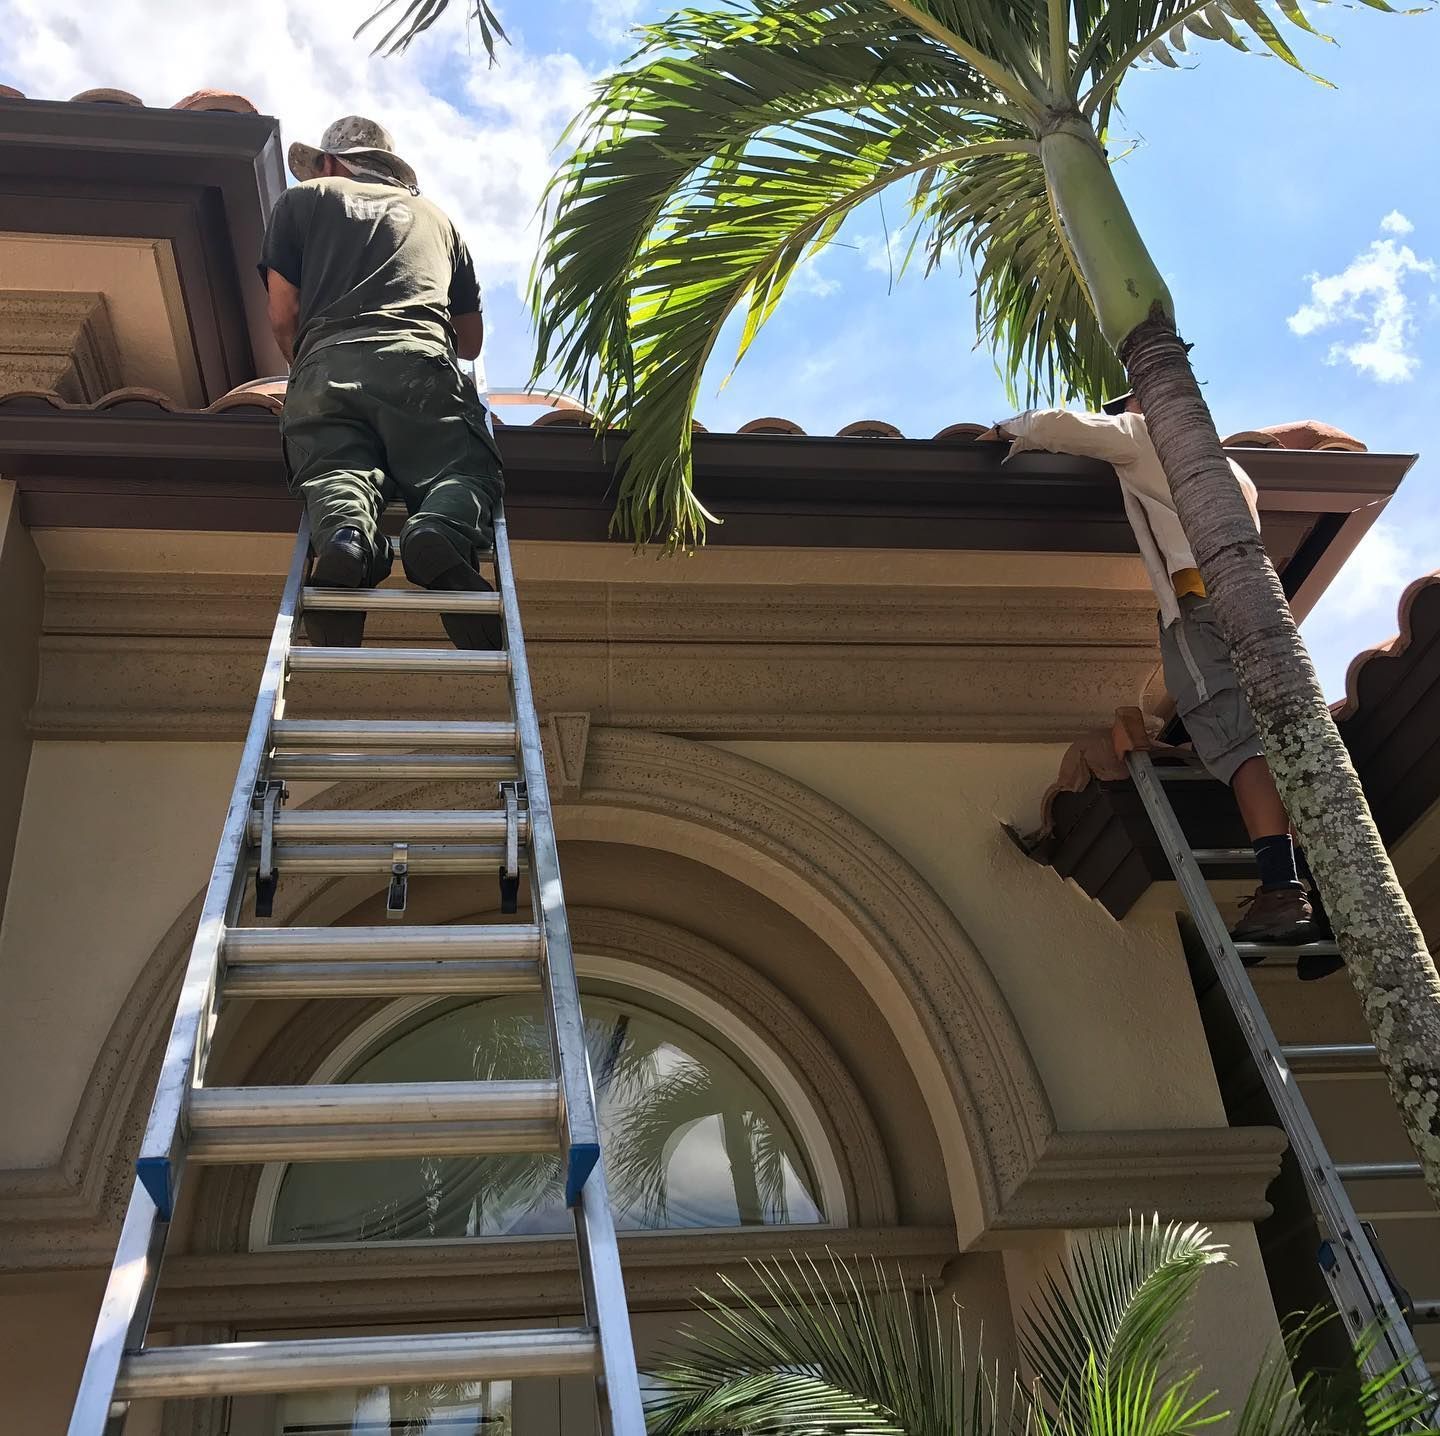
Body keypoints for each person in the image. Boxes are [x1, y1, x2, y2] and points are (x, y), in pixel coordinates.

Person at [983, 396, 1330, 961]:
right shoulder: (1229, 469)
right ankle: (1319, 901)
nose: (1120, 408)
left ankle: (1282, 890)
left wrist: (1001, 431)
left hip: (1201, 602)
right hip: (1255, 610)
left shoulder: (1148, 434)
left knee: (1239, 741)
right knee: (1271, 743)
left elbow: (1066, 426)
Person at [258, 115, 501, 650]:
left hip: (325, 364)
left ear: (328, 162)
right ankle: (437, 530)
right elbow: (471, 340)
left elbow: (284, 313)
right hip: (418, 364)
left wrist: (312, 373)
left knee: (337, 473)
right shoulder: (437, 220)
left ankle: (347, 540)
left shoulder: (303, 201)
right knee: (458, 471)